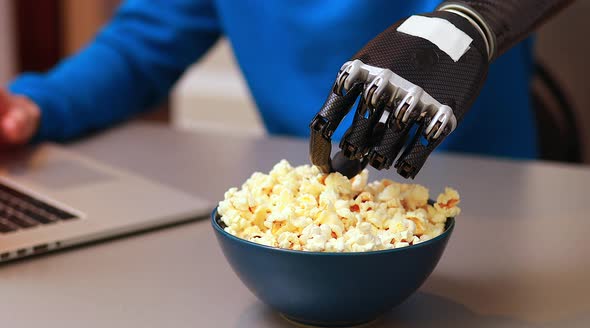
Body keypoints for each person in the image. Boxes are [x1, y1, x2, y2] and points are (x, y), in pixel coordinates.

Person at [0, 0, 571, 177]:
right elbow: (145, 41)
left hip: (484, 193)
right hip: (314, 199)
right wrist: (37, 103)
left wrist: (480, 17)